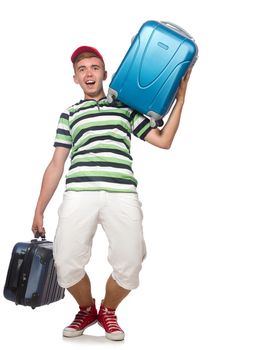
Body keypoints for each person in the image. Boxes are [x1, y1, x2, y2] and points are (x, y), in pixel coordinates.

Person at [31, 45, 193, 341]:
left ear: (106, 74)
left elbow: (164, 140)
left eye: (94, 67)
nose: (88, 73)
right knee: (65, 262)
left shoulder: (126, 108)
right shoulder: (69, 114)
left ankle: (107, 310)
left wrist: (180, 100)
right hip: (79, 192)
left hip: (122, 194)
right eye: (82, 69)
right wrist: (39, 209)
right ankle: (85, 309)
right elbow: (56, 164)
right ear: (75, 79)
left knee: (131, 262)